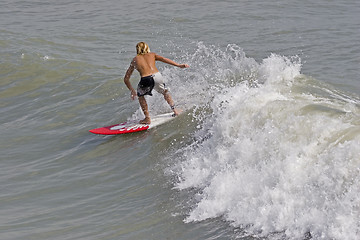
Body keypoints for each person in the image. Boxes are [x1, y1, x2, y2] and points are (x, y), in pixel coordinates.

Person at [124, 42, 189, 124]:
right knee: (165, 92)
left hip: (146, 79)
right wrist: (179, 65)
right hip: (157, 76)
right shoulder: (152, 55)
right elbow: (164, 59)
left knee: (141, 96)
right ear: (147, 48)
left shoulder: (135, 60)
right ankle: (175, 110)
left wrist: (132, 91)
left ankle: (147, 118)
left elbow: (126, 78)